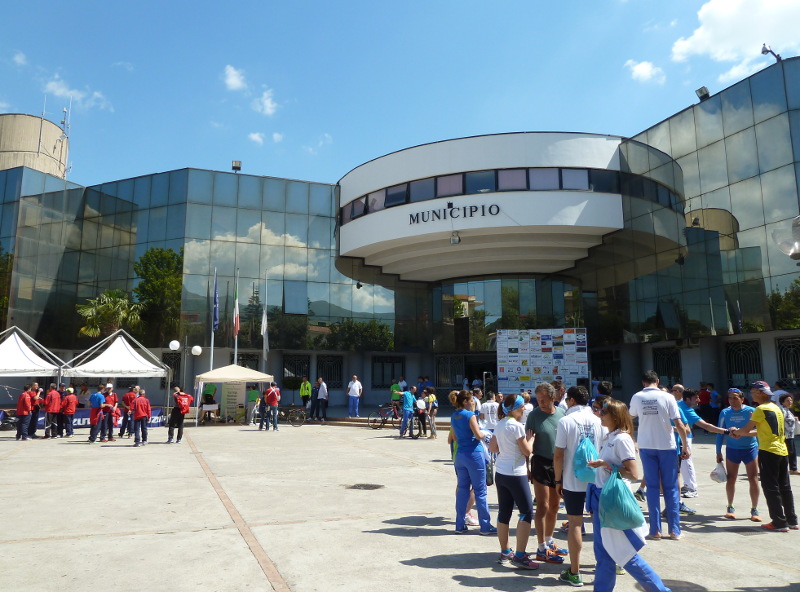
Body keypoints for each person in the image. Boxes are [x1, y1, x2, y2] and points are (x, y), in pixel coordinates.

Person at [586, 399, 673, 592]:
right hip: (603, 498)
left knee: (624, 553)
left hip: (613, 500)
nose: (600, 414)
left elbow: (634, 473)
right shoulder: (610, 437)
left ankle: (661, 590)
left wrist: (605, 465)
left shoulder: (622, 439)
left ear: (615, 416)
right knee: (604, 553)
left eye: (604, 412)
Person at [629, 370, 689, 540]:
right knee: (671, 488)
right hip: (667, 446)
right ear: (658, 381)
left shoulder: (637, 397)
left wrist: (631, 440)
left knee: (653, 488)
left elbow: (629, 417)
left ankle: (655, 530)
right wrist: (684, 445)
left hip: (647, 446)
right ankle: (675, 530)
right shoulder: (668, 397)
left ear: (643, 382)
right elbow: (678, 423)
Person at [554, 385, 605, 587]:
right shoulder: (599, 420)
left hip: (572, 480)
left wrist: (558, 480)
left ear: (572, 401)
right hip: (597, 478)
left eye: (567, 400)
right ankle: (611, 563)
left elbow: (558, 454)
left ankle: (575, 572)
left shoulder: (566, 421)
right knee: (601, 524)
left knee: (575, 523)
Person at [730, 382, 797, 531]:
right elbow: (759, 431)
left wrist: (735, 431)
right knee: (785, 487)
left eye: (753, 391)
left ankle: (779, 522)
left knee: (770, 487)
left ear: (760, 393)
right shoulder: (776, 408)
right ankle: (792, 520)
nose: (751, 394)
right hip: (782, 450)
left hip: (768, 451)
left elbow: (747, 429)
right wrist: (740, 433)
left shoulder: (760, 409)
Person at [489, 394, 538, 570]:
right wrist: (531, 439)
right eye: (521, 407)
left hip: (501, 472)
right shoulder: (517, 426)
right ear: (514, 409)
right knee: (526, 512)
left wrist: (506, 449)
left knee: (504, 513)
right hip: (516, 474)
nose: (524, 409)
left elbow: (493, 448)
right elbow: (526, 451)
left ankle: (504, 551)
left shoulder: (500, 424)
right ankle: (520, 555)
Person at [525, 381, 567, 563]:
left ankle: (549, 541)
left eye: (543, 399)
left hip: (558, 464)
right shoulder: (533, 416)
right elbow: (527, 442)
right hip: (540, 463)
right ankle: (541, 547)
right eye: (538, 399)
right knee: (543, 505)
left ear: (553, 397)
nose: (540, 402)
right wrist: (526, 467)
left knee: (556, 505)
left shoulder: (562, 414)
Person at [451, 389, 495, 535]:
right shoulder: (470, 415)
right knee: (480, 490)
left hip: (460, 455)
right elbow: (478, 435)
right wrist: (486, 433)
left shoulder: (454, 415)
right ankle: (485, 526)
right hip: (474, 454)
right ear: (465, 401)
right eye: (471, 401)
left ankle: (459, 524)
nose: (473, 403)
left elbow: (455, 437)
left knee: (462, 489)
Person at [675, 386, 730, 499]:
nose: (699, 400)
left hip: (681, 438)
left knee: (684, 463)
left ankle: (690, 486)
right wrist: (726, 431)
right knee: (685, 463)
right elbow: (707, 426)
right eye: (696, 398)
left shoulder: (678, 404)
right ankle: (691, 487)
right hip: (682, 438)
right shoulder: (687, 410)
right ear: (687, 399)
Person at [716, 388, 761, 521]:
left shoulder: (751, 411)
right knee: (731, 478)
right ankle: (730, 507)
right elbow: (720, 432)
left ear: (742, 399)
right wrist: (718, 451)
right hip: (732, 450)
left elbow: (758, 430)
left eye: (735, 398)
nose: (732, 401)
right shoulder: (725, 412)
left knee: (753, 478)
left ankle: (754, 509)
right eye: (730, 398)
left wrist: (761, 449)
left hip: (750, 449)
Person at [778, 393, 798, 474]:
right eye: (787, 400)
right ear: (783, 402)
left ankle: (793, 469)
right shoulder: (782, 410)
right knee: (788, 452)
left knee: (792, 452)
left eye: (791, 400)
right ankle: (791, 469)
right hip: (785, 435)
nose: (790, 402)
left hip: (790, 435)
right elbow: (781, 421)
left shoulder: (787, 410)